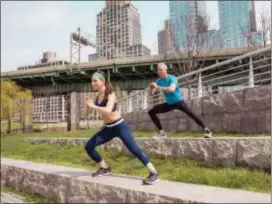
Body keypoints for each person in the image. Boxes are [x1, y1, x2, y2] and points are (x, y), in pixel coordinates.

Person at [84, 71, 159, 185]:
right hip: (108, 128)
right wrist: (88, 106)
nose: (92, 83)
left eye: (95, 81)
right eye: (92, 81)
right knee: (89, 146)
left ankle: (153, 172)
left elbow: (108, 110)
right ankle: (104, 168)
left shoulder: (110, 94)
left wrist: (93, 106)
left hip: (119, 126)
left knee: (134, 149)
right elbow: (86, 114)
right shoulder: (97, 96)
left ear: (102, 81)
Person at [148, 63, 213, 139]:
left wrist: (158, 87)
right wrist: (151, 88)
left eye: (161, 69)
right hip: (169, 104)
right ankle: (162, 133)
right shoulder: (158, 81)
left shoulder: (172, 78)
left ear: (165, 70)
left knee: (191, 114)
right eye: (158, 70)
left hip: (178, 102)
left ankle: (207, 130)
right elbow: (151, 94)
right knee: (151, 112)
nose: (159, 71)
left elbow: (171, 89)